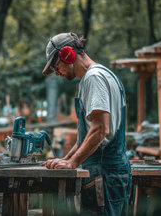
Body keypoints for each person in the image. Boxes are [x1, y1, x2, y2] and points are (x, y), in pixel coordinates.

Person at [41, 32, 131, 215]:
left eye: (55, 66)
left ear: (68, 54)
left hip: (104, 172)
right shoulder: (101, 75)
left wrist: (73, 162)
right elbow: (88, 134)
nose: (57, 73)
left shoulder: (94, 78)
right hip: (108, 172)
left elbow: (100, 129)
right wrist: (66, 159)